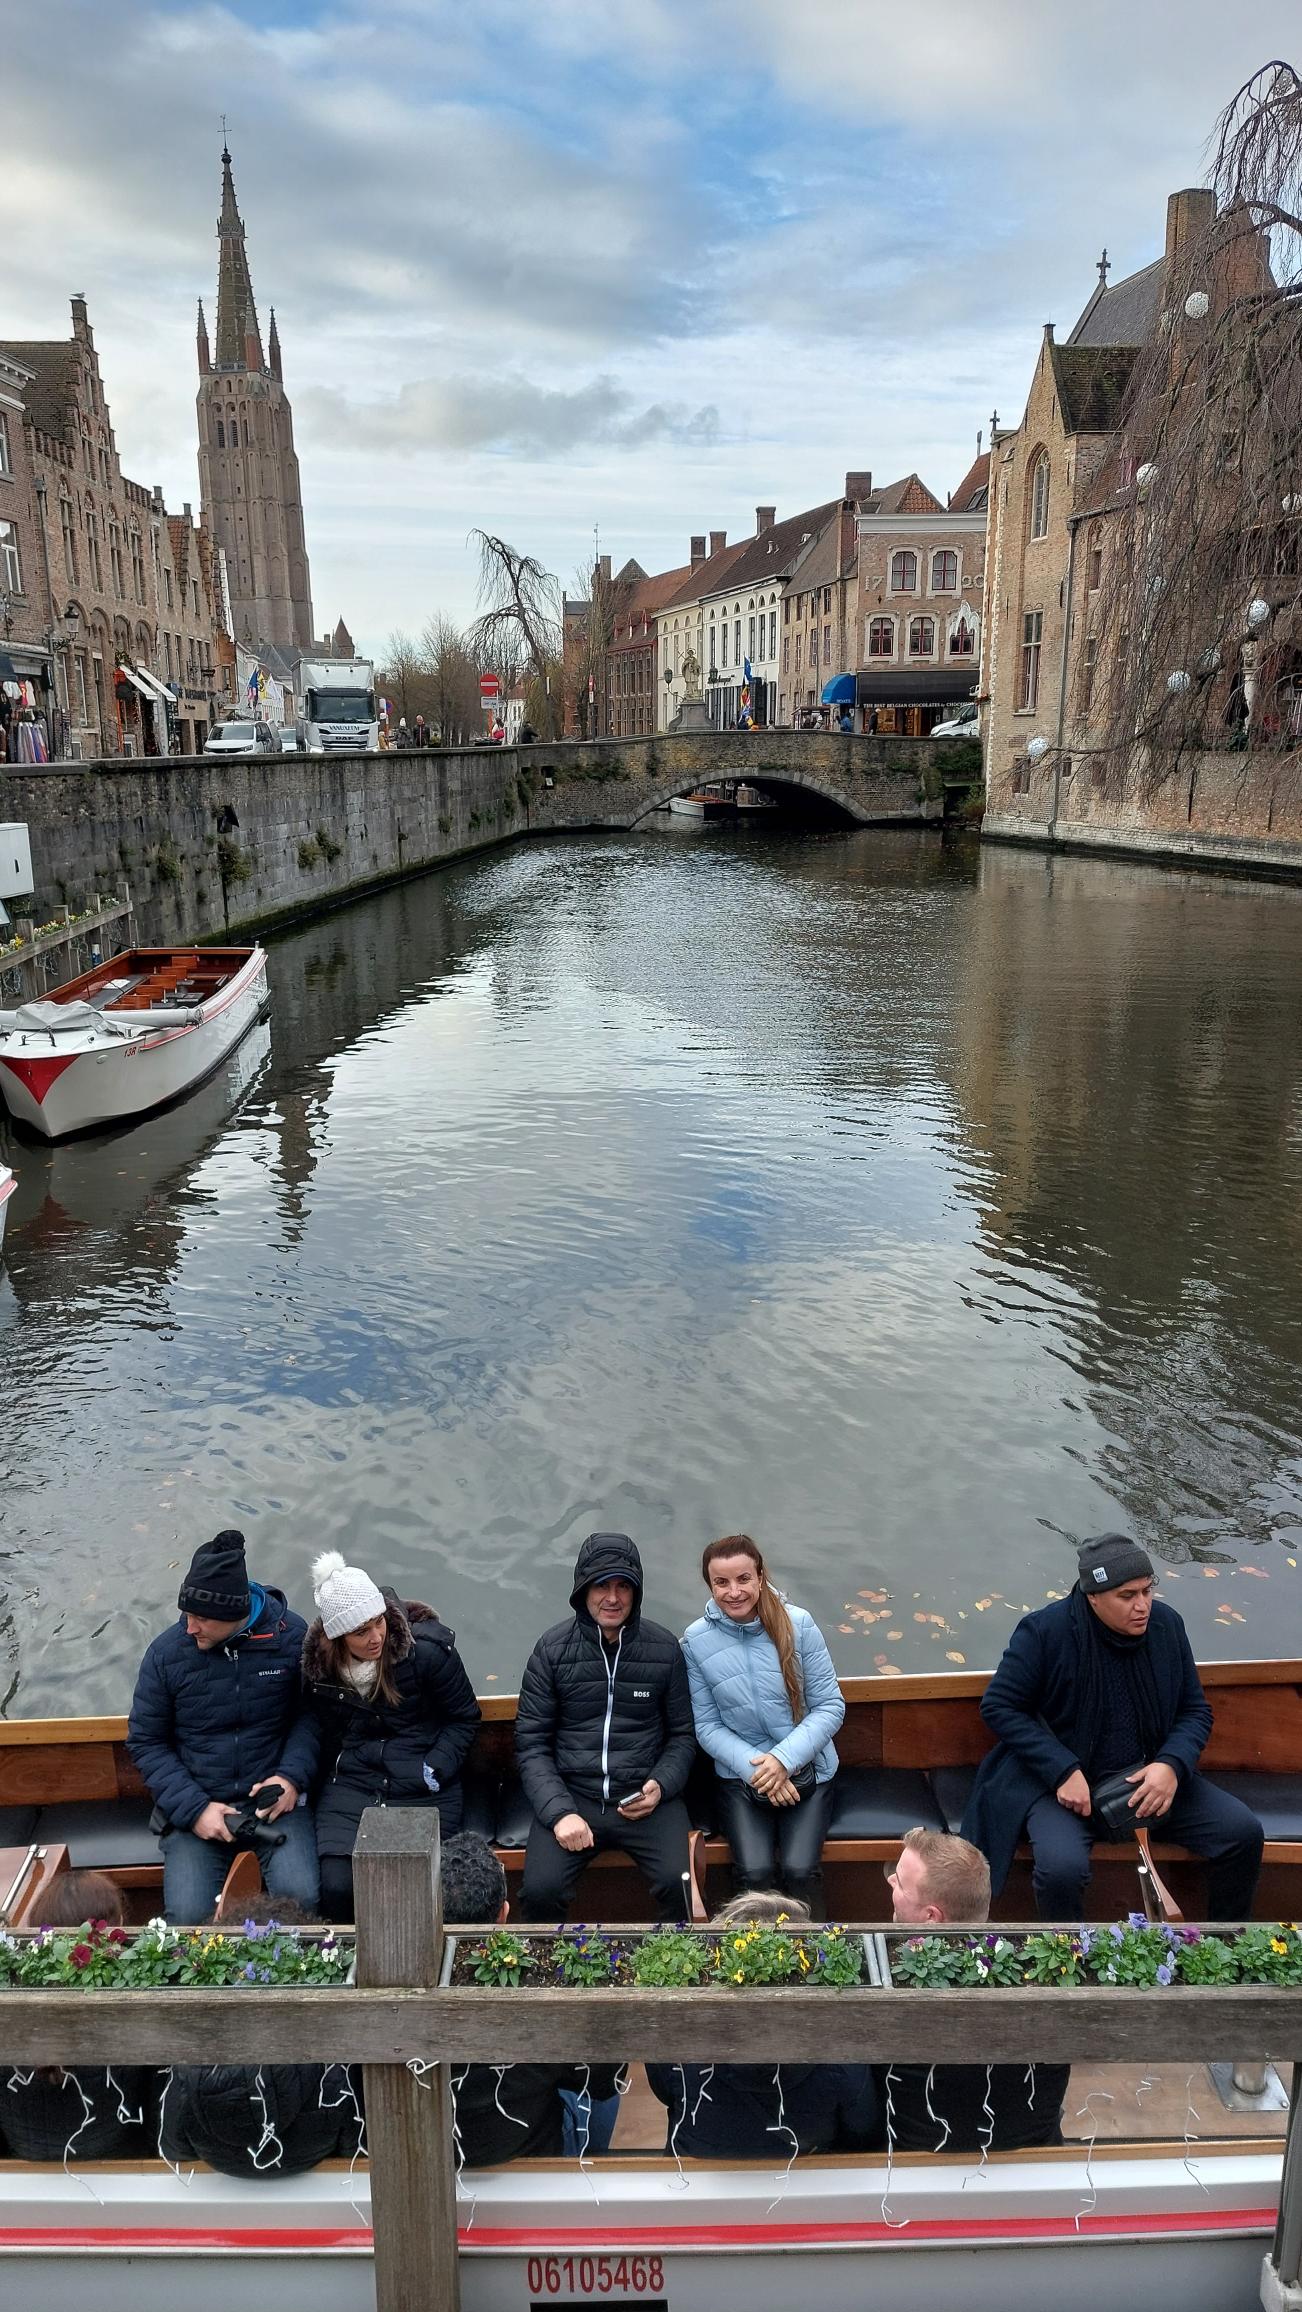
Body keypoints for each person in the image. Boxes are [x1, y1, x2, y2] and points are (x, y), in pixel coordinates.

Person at [961, 1536, 1263, 1920]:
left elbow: (1194, 1710)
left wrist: (1171, 1766)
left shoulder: (1167, 1626)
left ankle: (1226, 1941)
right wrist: (1062, 1770)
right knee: (1061, 1870)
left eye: (1147, 1590)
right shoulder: (1044, 1632)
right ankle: (1069, 1954)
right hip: (1066, 1790)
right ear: (1093, 1596)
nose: (1143, 1605)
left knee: (1243, 1833)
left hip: (1151, 1781)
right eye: (1127, 1596)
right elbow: (1000, 1706)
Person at [128, 1529, 320, 1923]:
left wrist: (290, 1778)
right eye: (187, 1615)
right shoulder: (166, 1655)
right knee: (188, 1919)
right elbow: (146, 1741)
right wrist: (195, 1809)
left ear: (233, 1615)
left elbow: (312, 1717)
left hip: (274, 1804)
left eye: (201, 1618)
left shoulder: (291, 1639)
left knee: (302, 1901)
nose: (189, 1628)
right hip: (197, 1803)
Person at [515, 1533, 696, 1924]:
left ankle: (671, 1961)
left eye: (623, 1586)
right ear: (583, 1590)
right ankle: (551, 1965)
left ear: (636, 1592)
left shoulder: (664, 1649)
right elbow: (531, 1744)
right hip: (573, 1795)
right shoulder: (551, 1650)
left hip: (644, 1798)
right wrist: (559, 1813)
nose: (612, 1598)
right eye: (601, 1585)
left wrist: (661, 1785)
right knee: (541, 1891)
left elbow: (682, 1736)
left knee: (681, 1883)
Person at [301, 1550, 482, 1923]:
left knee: (419, 1883)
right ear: (337, 1637)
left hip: (421, 1782)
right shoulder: (320, 1672)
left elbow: (463, 1718)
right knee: (337, 1886)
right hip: (353, 1784)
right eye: (361, 1631)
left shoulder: (428, 1653)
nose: (376, 1637)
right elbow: (320, 1730)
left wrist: (434, 1768)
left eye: (378, 1622)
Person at [681, 1534, 844, 1918]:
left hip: (808, 1769)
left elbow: (830, 1706)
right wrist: (761, 1769)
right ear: (710, 1585)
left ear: (759, 1577)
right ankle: (750, 1950)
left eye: (743, 1579)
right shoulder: (695, 1641)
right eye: (721, 1582)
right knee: (753, 1873)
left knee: (799, 1871)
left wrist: (783, 1760)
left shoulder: (798, 1624)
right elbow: (707, 1726)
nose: (734, 1591)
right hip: (742, 1776)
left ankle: (816, 1949)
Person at [647, 1892, 880, 2157]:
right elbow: (863, 2132)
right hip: (804, 2178)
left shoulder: (679, 2040)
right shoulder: (841, 2057)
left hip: (692, 2173)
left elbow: (665, 2092)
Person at [441, 1832, 623, 2159]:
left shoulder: (386, 1982)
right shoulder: (539, 1998)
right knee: (602, 2090)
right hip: (525, 2151)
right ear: (503, 1914)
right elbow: (605, 2081)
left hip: (427, 2152)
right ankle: (585, 2166)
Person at [885, 1828, 1069, 2151]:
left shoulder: (888, 1994)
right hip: (1029, 2154)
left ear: (931, 1918)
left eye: (899, 1882)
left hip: (915, 2157)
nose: (890, 1881)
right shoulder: (1047, 1987)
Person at [160, 1895, 362, 2176]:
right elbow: (354, 2145)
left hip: (222, 2173)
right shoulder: (332, 2059)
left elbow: (174, 2147)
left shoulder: (190, 2059)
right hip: (310, 2166)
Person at [0, 1873, 158, 2159]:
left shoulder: (12, 2000)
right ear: (119, 1925)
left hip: (23, 2151)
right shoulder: (138, 2002)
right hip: (120, 2150)